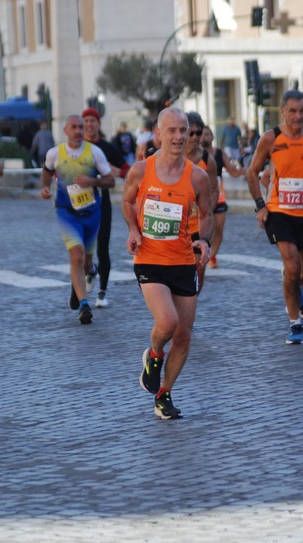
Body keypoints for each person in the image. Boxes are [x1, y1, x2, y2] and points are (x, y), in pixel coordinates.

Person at [122, 107, 213, 419]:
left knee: (185, 335)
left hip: (183, 262)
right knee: (168, 322)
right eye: (171, 130)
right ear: (157, 134)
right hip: (149, 258)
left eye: (183, 130)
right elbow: (127, 201)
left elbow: (207, 214)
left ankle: (164, 395)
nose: (178, 136)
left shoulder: (198, 177)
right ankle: (154, 354)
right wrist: (134, 228)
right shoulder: (140, 170)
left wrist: (205, 240)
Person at [247, 89, 303, 345]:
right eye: (293, 111)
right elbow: (252, 173)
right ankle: (295, 322)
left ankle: (291, 290)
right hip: (279, 212)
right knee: (293, 267)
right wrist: (260, 206)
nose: (298, 117)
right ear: (283, 112)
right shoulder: (270, 139)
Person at [40, 114, 115, 324]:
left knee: (87, 260)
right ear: (65, 130)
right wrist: (45, 188)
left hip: (91, 214)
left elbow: (110, 181)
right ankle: (84, 305)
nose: (79, 131)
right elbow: (46, 174)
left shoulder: (94, 152)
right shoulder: (55, 153)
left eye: (81, 127)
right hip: (66, 213)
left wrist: (91, 180)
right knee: (76, 254)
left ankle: (88, 273)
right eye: (74, 127)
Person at [82, 107, 130, 308]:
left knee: (102, 248)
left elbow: (127, 170)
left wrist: (116, 171)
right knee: (83, 249)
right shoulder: (76, 148)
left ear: (98, 124)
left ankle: (102, 293)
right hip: (81, 205)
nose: (89, 125)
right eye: (86, 121)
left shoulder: (108, 148)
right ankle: (90, 271)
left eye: (93, 121)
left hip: (102, 204)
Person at [201, 125, 245, 269]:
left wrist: (245, 171)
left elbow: (232, 171)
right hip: (200, 198)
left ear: (213, 137)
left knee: (219, 229)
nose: (204, 137)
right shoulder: (196, 155)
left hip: (219, 197)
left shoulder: (219, 153)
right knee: (202, 228)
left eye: (207, 134)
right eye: (202, 135)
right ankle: (199, 254)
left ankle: (212, 256)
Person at [185, 111, 219, 293]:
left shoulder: (208, 161)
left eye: (199, 133)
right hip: (177, 227)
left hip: (199, 226)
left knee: (199, 268)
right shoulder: (174, 158)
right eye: (191, 133)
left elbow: (214, 189)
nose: (195, 137)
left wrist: (207, 209)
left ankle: (191, 302)